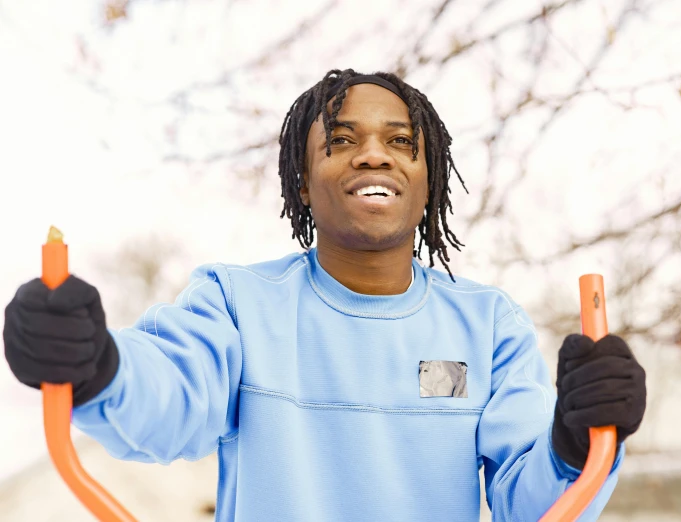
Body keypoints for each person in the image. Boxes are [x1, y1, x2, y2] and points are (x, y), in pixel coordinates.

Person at [3, 69, 646, 521]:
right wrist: (96, 365)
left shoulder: (487, 325)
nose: (374, 156)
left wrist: (575, 440)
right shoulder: (239, 303)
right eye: (341, 141)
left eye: (401, 142)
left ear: (428, 183)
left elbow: (531, 506)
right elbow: (171, 397)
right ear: (304, 183)